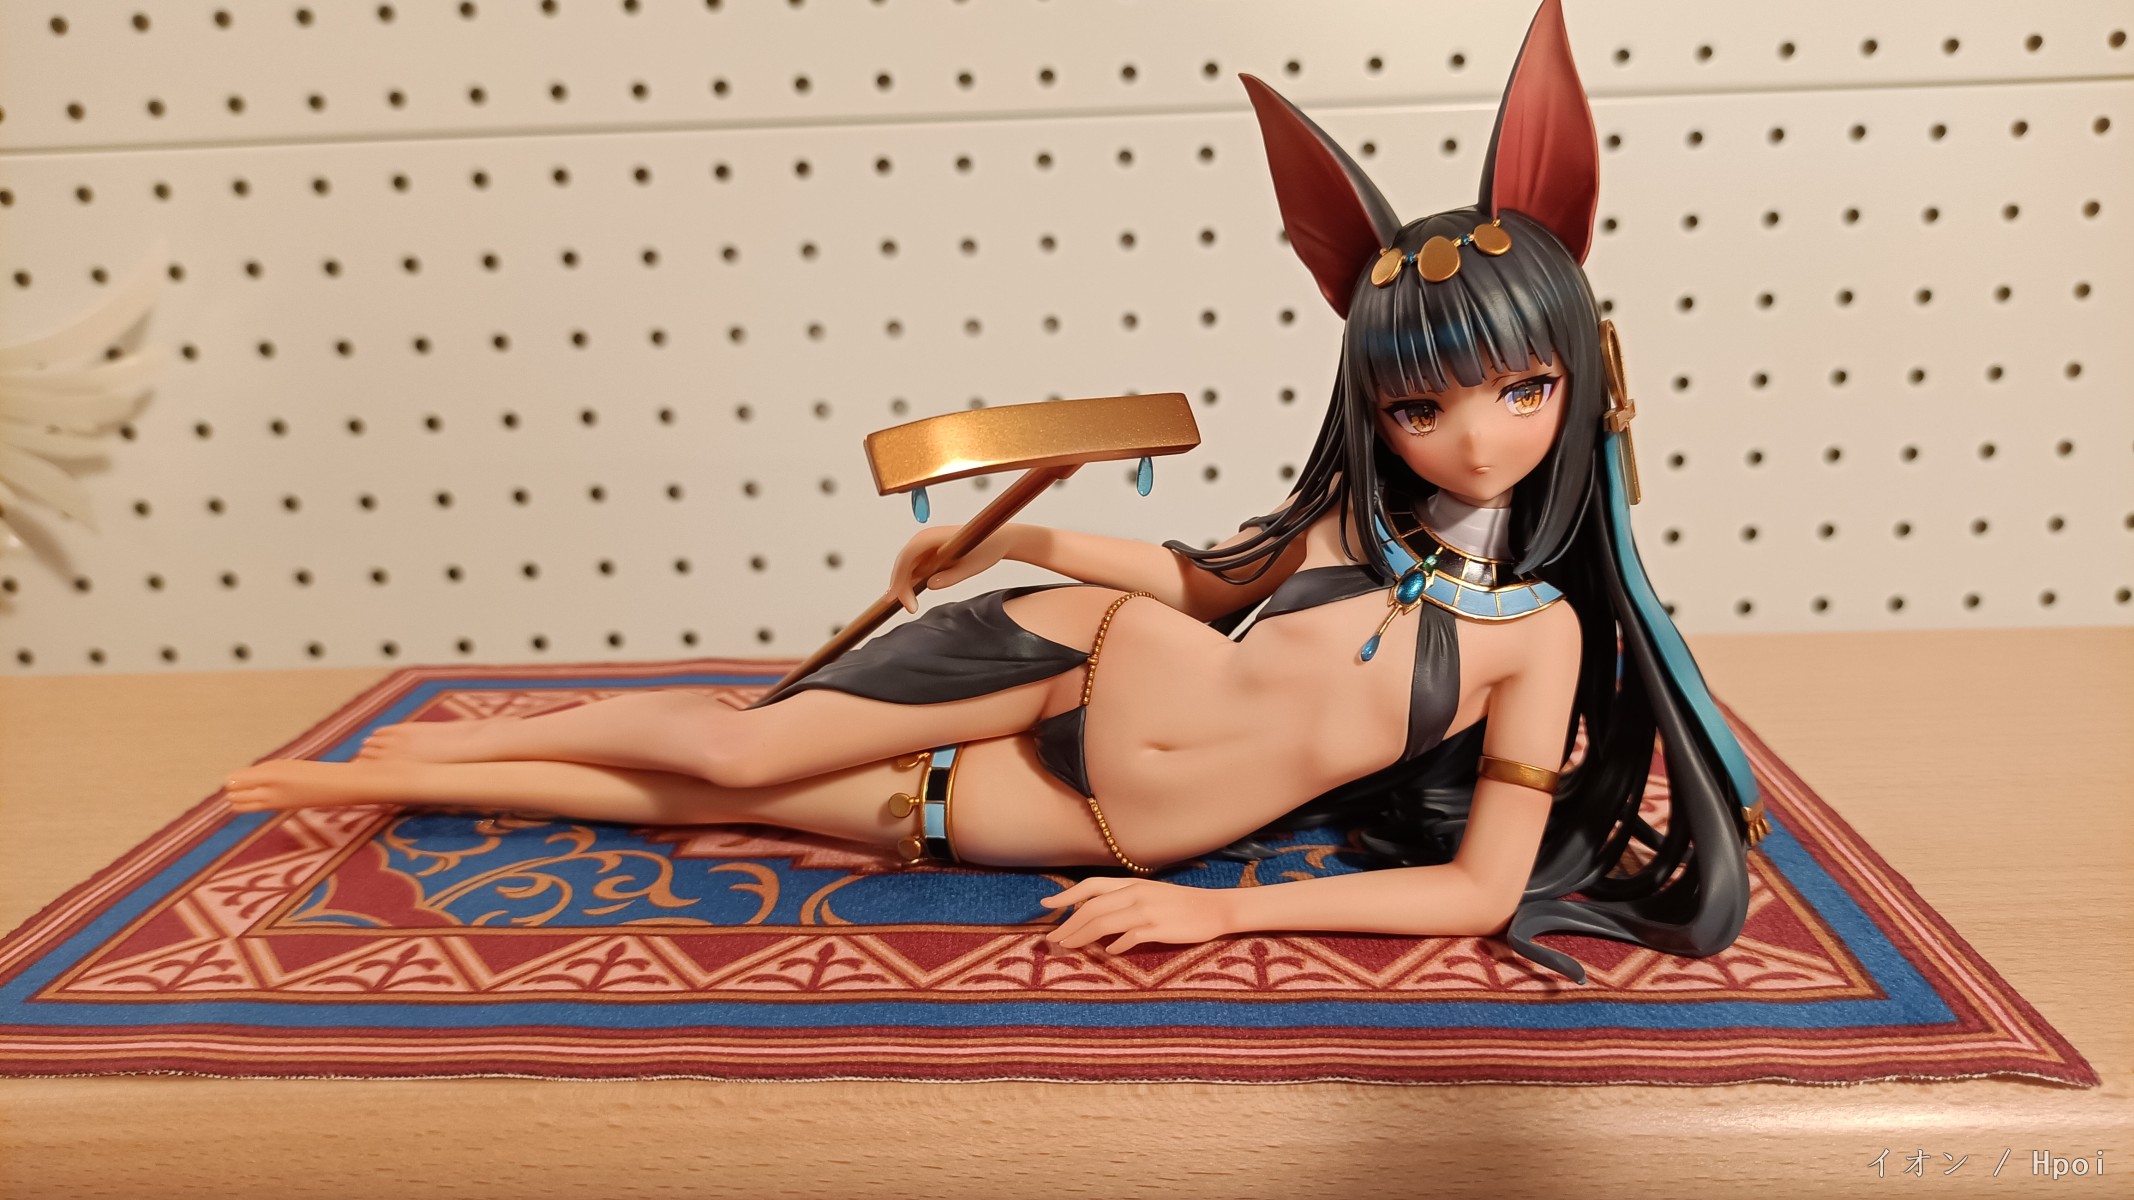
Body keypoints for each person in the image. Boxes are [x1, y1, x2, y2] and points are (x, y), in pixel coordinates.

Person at [223, 0, 1763, 984]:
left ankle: (396, 774)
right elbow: (1199, 588)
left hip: (1094, 816)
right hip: (1077, 649)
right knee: (737, 743)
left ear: (1579, 378)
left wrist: (1219, 912)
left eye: (1520, 391)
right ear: (1370, 407)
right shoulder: (1356, 524)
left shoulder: (1536, 637)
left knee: (728, 790)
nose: (1474, 441)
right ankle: (399, 761)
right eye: (1419, 406)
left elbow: (1478, 894)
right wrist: (1017, 535)